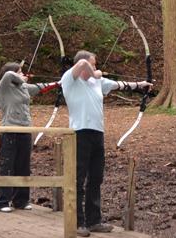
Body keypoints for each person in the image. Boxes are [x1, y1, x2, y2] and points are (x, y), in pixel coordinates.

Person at [61, 50, 151, 236]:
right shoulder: (70, 79)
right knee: (78, 178)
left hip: (97, 134)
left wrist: (141, 85)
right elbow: (80, 65)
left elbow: (121, 85)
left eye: (95, 65)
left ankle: (94, 221)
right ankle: (78, 223)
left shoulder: (98, 82)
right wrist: (94, 72)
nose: (95, 67)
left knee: (96, 178)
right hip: (79, 133)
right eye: (93, 64)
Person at [0, 62, 58, 213]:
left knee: (23, 166)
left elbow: (39, 87)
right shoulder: (3, 87)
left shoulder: (22, 88)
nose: (22, 74)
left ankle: (20, 200)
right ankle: (2, 201)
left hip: (25, 129)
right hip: (9, 130)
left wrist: (58, 83)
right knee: (6, 166)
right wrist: (21, 77)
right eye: (20, 71)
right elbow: (8, 75)